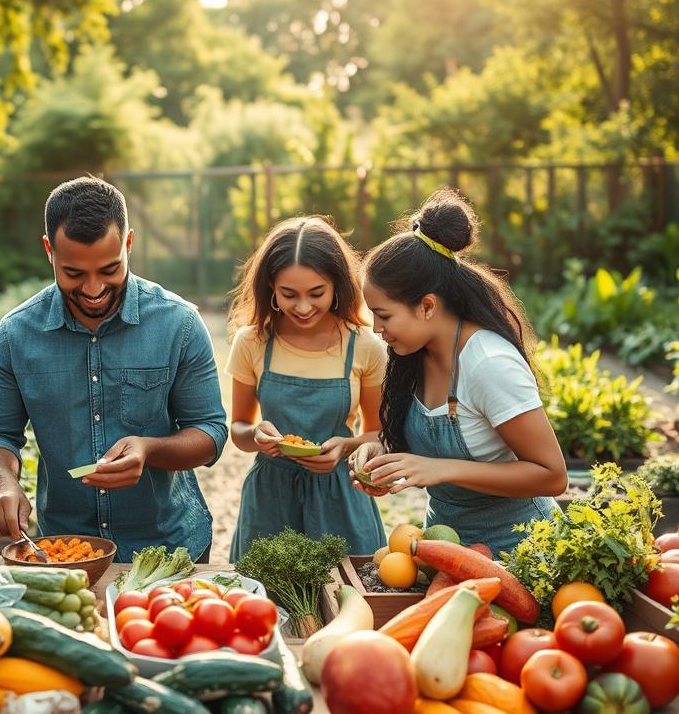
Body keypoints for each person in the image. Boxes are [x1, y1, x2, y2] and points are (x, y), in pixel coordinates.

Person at [0, 176, 227, 563]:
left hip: (171, 546)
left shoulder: (180, 324)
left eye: (109, 269)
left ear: (128, 244)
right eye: (74, 273)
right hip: (67, 549)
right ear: (49, 251)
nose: (93, 289)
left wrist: (149, 449)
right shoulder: (16, 335)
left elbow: (211, 431)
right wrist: (4, 484)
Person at [350, 188, 566, 557]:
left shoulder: (488, 364)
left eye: (383, 315)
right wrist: (377, 452)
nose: (375, 328)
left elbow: (552, 475)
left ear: (427, 306)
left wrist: (442, 469)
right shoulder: (409, 354)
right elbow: (406, 444)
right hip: (447, 548)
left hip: (526, 553)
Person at [226, 217, 390, 561]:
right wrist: (256, 433)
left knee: (350, 601)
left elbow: (377, 433)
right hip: (270, 499)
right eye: (289, 294)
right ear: (271, 286)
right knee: (266, 604)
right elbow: (238, 429)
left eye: (316, 293)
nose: (302, 307)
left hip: (341, 497)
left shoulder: (364, 346)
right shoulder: (252, 342)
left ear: (337, 286)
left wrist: (346, 447)